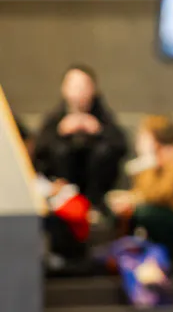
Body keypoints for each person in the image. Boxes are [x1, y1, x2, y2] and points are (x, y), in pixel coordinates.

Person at [107, 115, 173, 260]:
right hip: (169, 217)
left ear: (155, 140)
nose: (138, 141)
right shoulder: (153, 162)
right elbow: (141, 192)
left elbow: (160, 194)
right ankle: (130, 257)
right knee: (122, 210)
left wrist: (150, 163)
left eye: (143, 137)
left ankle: (171, 257)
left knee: (145, 213)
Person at [31, 65, 128, 209]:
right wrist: (61, 131)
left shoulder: (103, 117)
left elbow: (121, 145)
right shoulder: (55, 118)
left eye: (83, 86)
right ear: (64, 88)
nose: (78, 91)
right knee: (60, 150)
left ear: (93, 89)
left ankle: (94, 206)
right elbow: (39, 149)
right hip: (61, 190)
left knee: (103, 151)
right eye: (74, 86)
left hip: (96, 190)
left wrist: (98, 131)